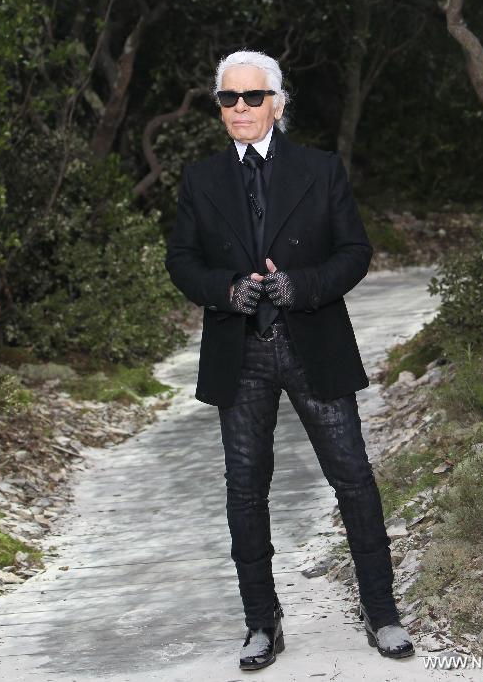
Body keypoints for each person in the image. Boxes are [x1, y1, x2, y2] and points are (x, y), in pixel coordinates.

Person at [164, 50, 414, 671]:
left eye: (252, 97)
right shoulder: (200, 180)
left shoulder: (321, 169)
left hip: (314, 345)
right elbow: (181, 261)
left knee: (354, 479)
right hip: (239, 353)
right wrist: (228, 290)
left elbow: (355, 252)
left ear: (277, 102)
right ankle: (260, 623)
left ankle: (382, 614)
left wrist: (298, 287)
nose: (241, 108)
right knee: (245, 492)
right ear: (219, 108)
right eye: (229, 99)